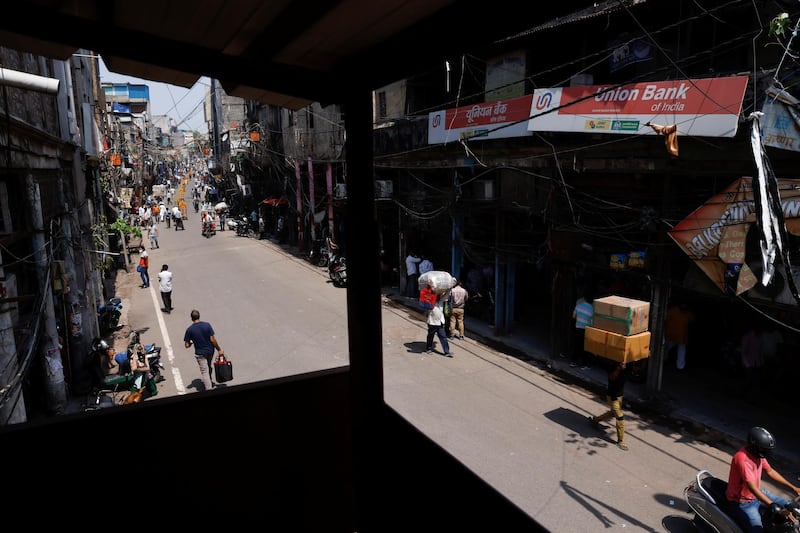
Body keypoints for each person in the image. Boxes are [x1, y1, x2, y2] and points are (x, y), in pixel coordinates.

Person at [725, 426, 800, 531]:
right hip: (743, 502)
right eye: (764, 449)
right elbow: (752, 488)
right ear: (754, 445)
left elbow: (770, 471)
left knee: (792, 507)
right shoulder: (743, 459)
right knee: (757, 530)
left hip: (759, 494)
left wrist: (793, 488)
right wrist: (773, 505)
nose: (766, 452)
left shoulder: (758, 455)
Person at [589, 361, 629, 451]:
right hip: (612, 397)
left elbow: (636, 369)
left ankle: (595, 420)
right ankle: (620, 441)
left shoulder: (627, 365)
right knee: (620, 417)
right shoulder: (612, 366)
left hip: (620, 396)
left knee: (612, 413)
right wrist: (619, 369)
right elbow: (611, 378)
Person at [183, 309, 225, 392]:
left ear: (191, 318)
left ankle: (208, 389)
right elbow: (212, 340)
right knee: (208, 366)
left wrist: (191, 342)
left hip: (200, 354)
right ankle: (209, 381)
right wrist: (219, 350)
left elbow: (186, 345)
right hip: (210, 351)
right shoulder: (207, 325)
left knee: (204, 371)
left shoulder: (190, 330)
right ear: (199, 316)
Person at [664, 302, 694, 370]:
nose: (683, 306)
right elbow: (665, 320)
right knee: (665, 348)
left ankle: (680, 367)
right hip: (671, 335)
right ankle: (663, 361)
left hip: (680, 337)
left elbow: (692, 320)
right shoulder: (673, 310)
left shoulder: (688, 313)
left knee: (681, 350)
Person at [570, 291, 594, 369]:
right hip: (587, 330)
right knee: (585, 347)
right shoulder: (593, 309)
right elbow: (593, 322)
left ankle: (573, 362)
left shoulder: (578, 305)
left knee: (577, 345)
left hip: (578, 328)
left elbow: (573, 317)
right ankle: (584, 364)